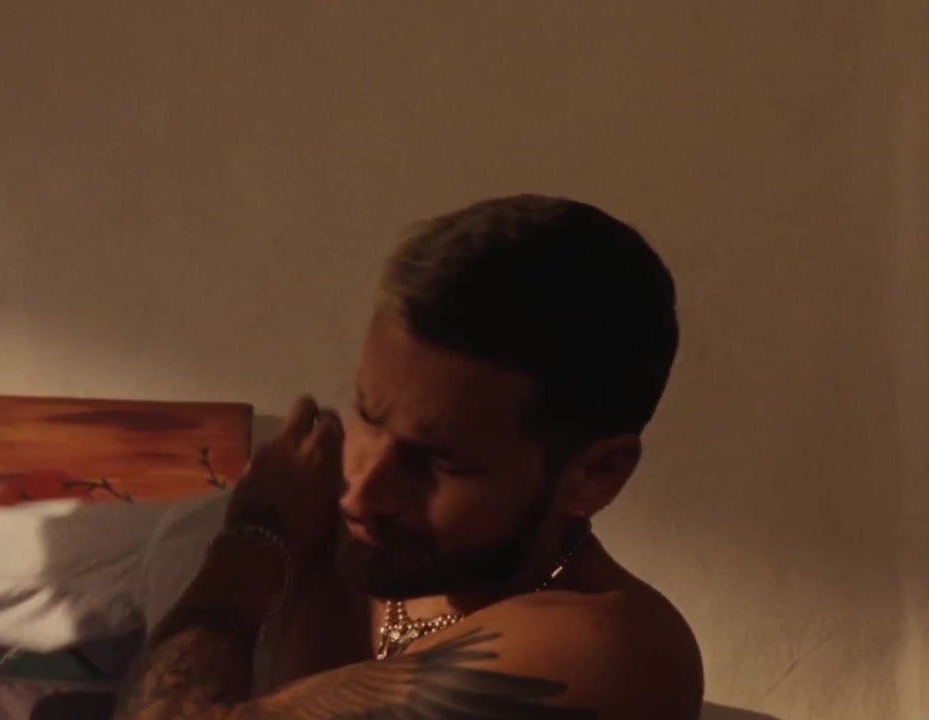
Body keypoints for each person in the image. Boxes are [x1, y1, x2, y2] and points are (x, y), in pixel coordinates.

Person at [112, 194, 704, 720]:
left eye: (439, 462)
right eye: (369, 417)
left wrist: (255, 534)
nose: (363, 492)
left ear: (596, 474)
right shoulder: (329, 537)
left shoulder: (610, 648)